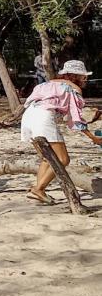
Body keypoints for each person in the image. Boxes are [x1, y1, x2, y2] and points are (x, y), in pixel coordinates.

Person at [21, 59, 102, 204]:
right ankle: (38, 189)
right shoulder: (74, 90)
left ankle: (39, 191)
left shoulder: (48, 83)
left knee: (47, 157)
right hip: (43, 117)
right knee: (63, 159)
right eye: (84, 76)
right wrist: (92, 137)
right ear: (75, 76)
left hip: (28, 116)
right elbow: (75, 118)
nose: (86, 79)